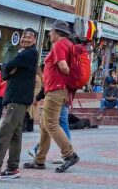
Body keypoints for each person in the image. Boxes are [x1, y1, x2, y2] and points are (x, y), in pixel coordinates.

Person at [0, 28, 39, 181]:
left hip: (18, 98)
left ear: (35, 40)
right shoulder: (24, 53)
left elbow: (8, 66)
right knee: (15, 134)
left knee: (4, 133)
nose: (25, 39)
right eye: (24, 36)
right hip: (18, 98)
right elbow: (8, 68)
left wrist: (8, 68)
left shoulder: (29, 53)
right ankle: (12, 168)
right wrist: (9, 68)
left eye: (29, 37)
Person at [23, 20, 79, 173]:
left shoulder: (60, 45)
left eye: (51, 31)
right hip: (59, 90)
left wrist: (68, 77)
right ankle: (39, 159)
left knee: (51, 124)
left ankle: (69, 154)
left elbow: (64, 67)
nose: (49, 34)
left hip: (56, 90)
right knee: (45, 124)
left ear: (57, 32)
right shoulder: (69, 45)